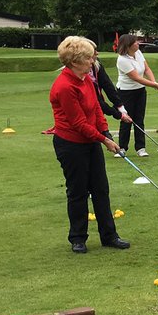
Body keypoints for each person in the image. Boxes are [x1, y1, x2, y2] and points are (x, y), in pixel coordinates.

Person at [49, 36, 131, 254]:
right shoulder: (64, 86)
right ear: (75, 61)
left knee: (101, 189)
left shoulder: (86, 79)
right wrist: (104, 140)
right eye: (88, 58)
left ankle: (109, 236)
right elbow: (78, 123)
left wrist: (105, 132)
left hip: (91, 141)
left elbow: (96, 108)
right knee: (78, 191)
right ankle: (77, 237)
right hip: (70, 144)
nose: (92, 61)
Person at [115, 34, 158, 157]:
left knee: (139, 119)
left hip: (140, 91)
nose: (138, 43)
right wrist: (155, 85)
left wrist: (154, 82)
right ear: (128, 45)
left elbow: (147, 69)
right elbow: (137, 78)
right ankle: (122, 148)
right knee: (127, 119)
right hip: (126, 92)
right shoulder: (122, 60)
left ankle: (140, 148)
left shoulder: (138, 53)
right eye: (135, 42)